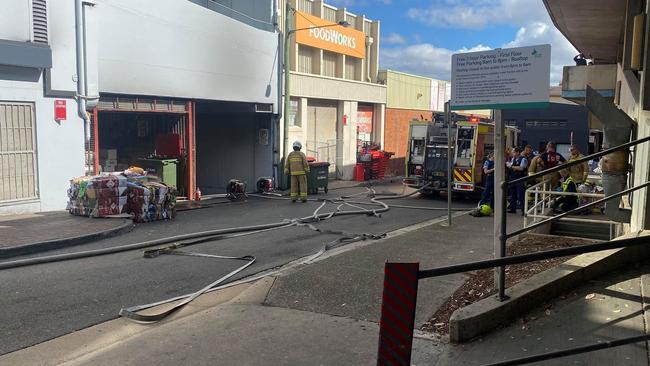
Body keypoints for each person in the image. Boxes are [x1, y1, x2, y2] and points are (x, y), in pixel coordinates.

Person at [507, 147, 528, 214]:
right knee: (513, 194)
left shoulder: (523, 159)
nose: (512, 153)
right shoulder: (513, 159)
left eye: (514, 152)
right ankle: (513, 208)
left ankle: (523, 210)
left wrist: (511, 166)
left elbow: (521, 168)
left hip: (520, 178)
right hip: (512, 178)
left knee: (520, 194)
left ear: (518, 152)